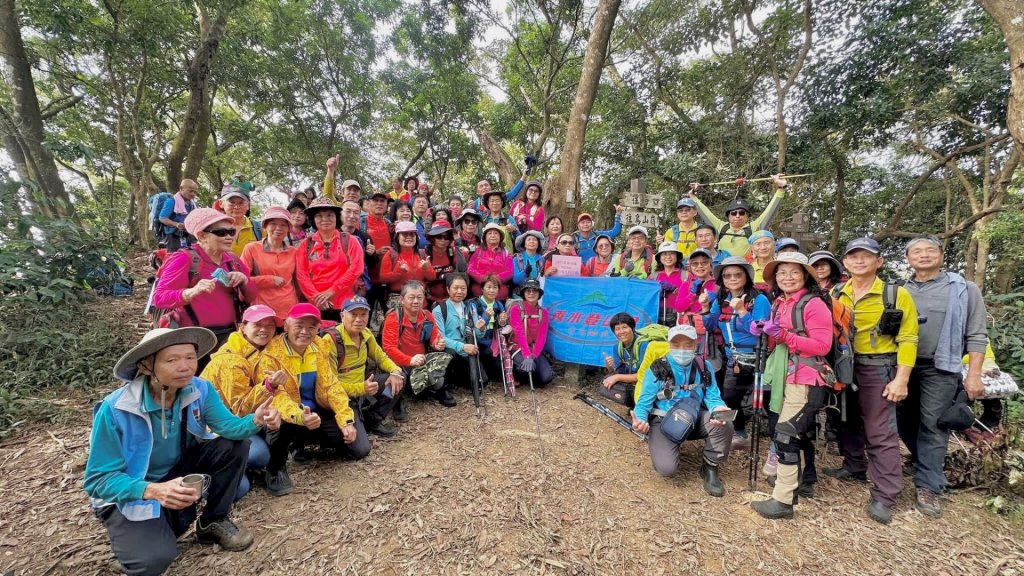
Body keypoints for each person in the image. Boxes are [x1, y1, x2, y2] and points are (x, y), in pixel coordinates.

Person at [85, 327, 277, 574]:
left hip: (176, 472)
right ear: (146, 366)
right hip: (135, 486)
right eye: (172, 360)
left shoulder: (199, 389)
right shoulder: (117, 409)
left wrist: (255, 420)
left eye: (190, 357)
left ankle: (212, 521)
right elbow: (98, 480)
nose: (185, 367)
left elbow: (229, 428)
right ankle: (139, 535)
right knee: (152, 561)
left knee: (235, 445)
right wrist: (152, 490)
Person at [826, 237, 919, 525]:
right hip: (843, 364)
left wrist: (901, 379)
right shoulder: (838, 292)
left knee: (880, 430)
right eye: (853, 256)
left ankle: (886, 494)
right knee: (845, 419)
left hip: (878, 366)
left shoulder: (895, 294)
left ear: (879, 261)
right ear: (845, 262)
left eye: (866, 256)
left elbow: (908, 337)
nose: (859, 261)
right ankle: (854, 465)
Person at [898, 234, 987, 517]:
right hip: (903, 365)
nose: (923, 255)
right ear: (908, 259)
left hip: (941, 365)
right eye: (917, 252)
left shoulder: (963, 289)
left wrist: (973, 374)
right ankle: (923, 460)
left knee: (934, 424)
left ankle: (930, 485)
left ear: (941, 254)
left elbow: (976, 334)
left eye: (929, 250)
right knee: (903, 421)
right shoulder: (900, 289)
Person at [748, 252, 833, 519]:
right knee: (789, 432)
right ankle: (798, 485)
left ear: (806, 275)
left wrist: (782, 335)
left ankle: (783, 501)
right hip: (783, 375)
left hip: (806, 378)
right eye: (782, 272)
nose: (787, 277)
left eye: (794, 272)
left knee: (786, 434)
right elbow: (778, 341)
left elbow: (822, 346)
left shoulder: (814, 304)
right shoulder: (779, 304)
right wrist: (763, 330)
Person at [259, 303, 371, 493]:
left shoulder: (319, 346)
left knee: (359, 449)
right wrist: (300, 416)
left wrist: (346, 420)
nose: (305, 331)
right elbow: (277, 397)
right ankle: (275, 468)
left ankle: (302, 443)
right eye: (299, 325)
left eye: (311, 327)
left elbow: (331, 386)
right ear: (286, 325)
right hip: (291, 415)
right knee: (277, 419)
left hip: (316, 412)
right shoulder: (272, 353)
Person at [631, 324, 734, 496]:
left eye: (687, 345)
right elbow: (644, 402)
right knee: (667, 469)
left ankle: (710, 466)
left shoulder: (704, 365)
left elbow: (712, 395)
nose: (682, 349)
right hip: (664, 420)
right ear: (669, 345)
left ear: (696, 344)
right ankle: (664, 443)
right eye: (676, 344)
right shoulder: (658, 368)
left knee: (725, 422)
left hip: (694, 416)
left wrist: (719, 408)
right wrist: (640, 419)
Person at [199, 305, 280, 497]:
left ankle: (239, 465)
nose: (265, 329)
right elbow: (240, 409)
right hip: (218, 427)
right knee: (249, 472)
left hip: (238, 421)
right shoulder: (231, 361)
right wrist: (268, 386)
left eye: (270, 325)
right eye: (258, 324)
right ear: (241, 326)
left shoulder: (257, 350)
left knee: (261, 455)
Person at [152, 208, 258, 348]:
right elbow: (159, 298)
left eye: (231, 232)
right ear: (202, 236)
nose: (229, 237)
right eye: (221, 232)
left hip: (229, 335)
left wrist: (244, 281)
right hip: (193, 339)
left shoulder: (233, 260)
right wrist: (191, 292)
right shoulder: (184, 258)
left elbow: (251, 296)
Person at [701, 256, 770, 449]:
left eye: (737, 274)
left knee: (747, 399)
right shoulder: (723, 300)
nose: (732, 278)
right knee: (730, 397)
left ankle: (771, 442)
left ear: (746, 276)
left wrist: (741, 311)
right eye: (727, 275)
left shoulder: (759, 300)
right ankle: (737, 433)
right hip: (732, 357)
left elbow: (760, 330)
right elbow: (710, 325)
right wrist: (706, 307)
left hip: (756, 357)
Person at [320, 297, 406, 439]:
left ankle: (373, 418)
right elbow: (330, 386)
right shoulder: (330, 341)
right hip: (342, 396)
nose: (359, 319)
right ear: (342, 316)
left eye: (363, 314)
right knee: (360, 450)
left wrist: (395, 371)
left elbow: (380, 357)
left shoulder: (365, 333)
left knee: (399, 378)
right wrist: (361, 388)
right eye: (353, 314)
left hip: (363, 387)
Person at [381, 281, 452, 416]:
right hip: (400, 363)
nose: (416, 301)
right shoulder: (394, 318)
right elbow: (389, 348)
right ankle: (396, 402)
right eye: (411, 297)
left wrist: (437, 343)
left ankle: (440, 389)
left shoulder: (426, 315)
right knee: (397, 378)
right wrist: (409, 360)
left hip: (421, 361)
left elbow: (435, 336)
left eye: (419, 297)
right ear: (402, 300)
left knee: (444, 364)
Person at [295, 197, 365, 322]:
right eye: (319, 216)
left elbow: (356, 269)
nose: (324, 219)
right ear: (313, 219)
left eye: (329, 215)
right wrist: (316, 298)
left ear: (336, 217)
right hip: (315, 306)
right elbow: (301, 275)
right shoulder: (305, 245)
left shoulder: (350, 241)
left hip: (346, 305)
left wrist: (331, 291)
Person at [688, 173, 787, 258]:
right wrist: (693, 196)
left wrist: (781, 188)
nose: (738, 216)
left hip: (744, 270)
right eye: (734, 213)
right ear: (728, 216)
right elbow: (705, 212)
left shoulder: (753, 228)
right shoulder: (720, 227)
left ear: (748, 216)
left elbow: (770, 211)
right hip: (722, 269)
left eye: (742, 213)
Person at [240, 207, 299, 322]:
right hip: (262, 312)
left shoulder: (293, 252)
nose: (278, 228)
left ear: (288, 228)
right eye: (273, 223)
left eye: (283, 225)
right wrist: (269, 280)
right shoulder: (252, 248)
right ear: (265, 226)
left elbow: (299, 281)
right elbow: (242, 280)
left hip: (289, 310)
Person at [433, 273, 488, 390]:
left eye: (463, 288)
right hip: (453, 351)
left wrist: (481, 328)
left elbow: (476, 334)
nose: (459, 292)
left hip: (468, 351)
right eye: (455, 288)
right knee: (450, 354)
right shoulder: (439, 310)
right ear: (448, 289)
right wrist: (463, 346)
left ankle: (461, 379)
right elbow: (440, 338)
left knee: (482, 382)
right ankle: (448, 382)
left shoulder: (470, 307)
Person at [508, 280, 554, 386]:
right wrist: (527, 355)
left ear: (539, 294)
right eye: (528, 291)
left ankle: (530, 375)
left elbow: (542, 337)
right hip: (518, 347)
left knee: (546, 377)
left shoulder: (543, 313)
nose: (531, 293)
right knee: (524, 369)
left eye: (535, 291)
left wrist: (533, 356)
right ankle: (516, 373)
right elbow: (519, 333)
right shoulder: (516, 309)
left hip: (534, 349)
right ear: (523, 293)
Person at [600, 313, 649, 407]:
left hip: (648, 383)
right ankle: (631, 403)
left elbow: (646, 376)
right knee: (609, 379)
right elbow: (619, 372)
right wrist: (609, 367)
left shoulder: (644, 345)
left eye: (624, 327)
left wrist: (617, 377)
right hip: (633, 383)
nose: (621, 331)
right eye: (617, 329)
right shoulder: (617, 347)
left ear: (632, 328)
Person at [381, 221, 436, 305]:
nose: (409, 237)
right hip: (398, 300)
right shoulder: (391, 254)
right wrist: (399, 272)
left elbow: (432, 278)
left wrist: (426, 269)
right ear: (397, 237)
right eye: (405, 234)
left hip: (419, 299)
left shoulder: (422, 253)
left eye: (412, 234)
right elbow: (383, 278)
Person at [467, 274, 509, 383]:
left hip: (493, 340)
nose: (492, 291)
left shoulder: (499, 305)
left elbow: (500, 327)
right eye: (488, 287)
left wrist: (502, 321)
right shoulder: (474, 304)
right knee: (489, 353)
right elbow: (475, 328)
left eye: (495, 288)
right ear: (482, 288)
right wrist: (486, 317)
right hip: (479, 341)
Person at [467, 223, 514, 301]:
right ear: (485, 237)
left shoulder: (506, 253)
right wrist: (484, 279)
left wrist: (494, 280)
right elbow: (470, 269)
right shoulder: (478, 251)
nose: (493, 235)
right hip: (479, 294)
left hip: (499, 295)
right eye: (489, 233)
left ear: (500, 237)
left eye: (496, 233)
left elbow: (509, 272)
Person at [424, 221, 468, 303]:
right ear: (432, 238)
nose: (443, 240)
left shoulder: (453, 251)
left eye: (447, 237)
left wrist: (457, 243)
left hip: (450, 299)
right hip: (430, 299)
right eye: (439, 236)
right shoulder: (425, 253)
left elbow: (462, 268)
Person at [157, 179, 198, 253]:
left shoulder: (191, 203)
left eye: (195, 192)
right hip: (173, 235)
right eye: (190, 191)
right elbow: (162, 218)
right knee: (175, 256)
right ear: (181, 188)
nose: (193, 194)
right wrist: (176, 224)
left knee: (193, 254)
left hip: (187, 233)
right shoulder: (171, 201)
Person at [219, 187, 261, 256]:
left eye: (241, 203)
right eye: (232, 202)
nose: (236, 207)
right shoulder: (213, 228)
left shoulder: (259, 229)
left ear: (248, 205)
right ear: (221, 203)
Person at [653, 241, 686, 326]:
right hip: (657, 315)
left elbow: (691, 295)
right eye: (664, 254)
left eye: (672, 253)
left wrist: (676, 289)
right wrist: (656, 293)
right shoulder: (653, 276)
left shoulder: (685, 274)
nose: (668, 257)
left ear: (677, 256)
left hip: (679, 316)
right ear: (659, 257)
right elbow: (646, 295)